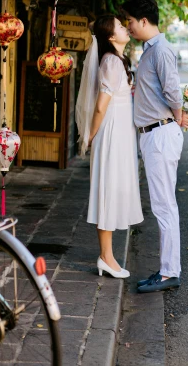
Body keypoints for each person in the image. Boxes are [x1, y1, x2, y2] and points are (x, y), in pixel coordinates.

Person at [122, 0, 188, 294]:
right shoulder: (149, 51)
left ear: (143, 20)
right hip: (154, 134)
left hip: (161, 133)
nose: (128, 27)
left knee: (164, 206)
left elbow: (173, 91)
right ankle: (167, 269)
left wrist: (179, 118)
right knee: (163, 205)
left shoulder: (160, 51)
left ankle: (169, 273)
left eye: (129, 21)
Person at [76, 15, 143, 279]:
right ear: (111, 37)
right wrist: (90, 135)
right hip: (112, 133)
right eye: (119, 26)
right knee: (108, 191)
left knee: (111, 190)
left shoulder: (115, 60)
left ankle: (107, 255)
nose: (125, 28)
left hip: (118, 133)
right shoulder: (112, 62)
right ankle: (105, 256)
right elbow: (101, 105)